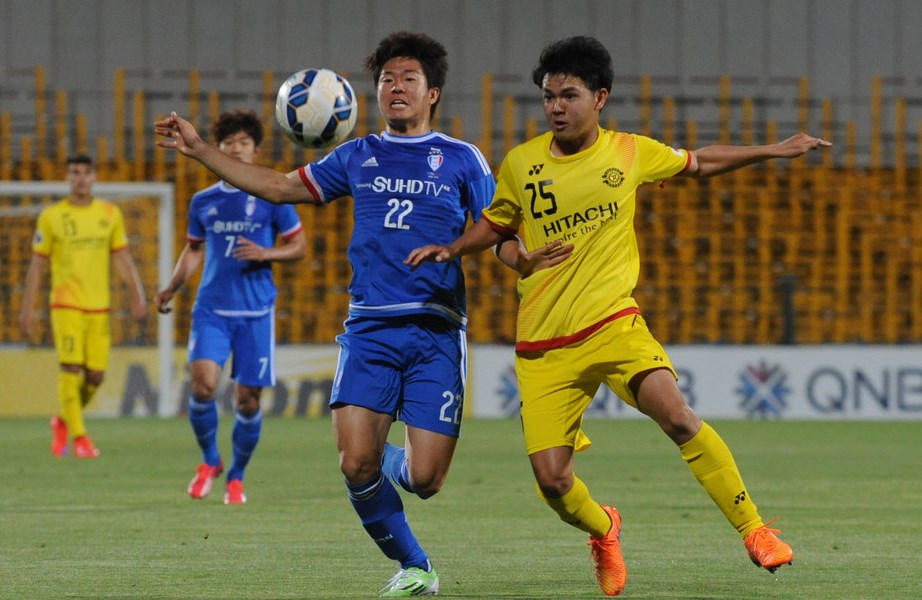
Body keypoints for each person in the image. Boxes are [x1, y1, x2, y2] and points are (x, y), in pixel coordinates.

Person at [406, 35, 832, 596]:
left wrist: (772, 150)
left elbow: (699, 163)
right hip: (543, 343)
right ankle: (605, 530)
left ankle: (755, 530)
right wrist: (466, 249)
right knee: (553, 481)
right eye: (548, 96)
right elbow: (500, 231)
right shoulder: (521, 163)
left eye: (569, 95)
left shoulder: (630, 152)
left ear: (600, 98)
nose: (556, 107)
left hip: (614, 323)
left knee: (677, 415)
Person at [155, 31, 542, 597]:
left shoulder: (462, 159)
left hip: (435, 330)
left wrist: (522, 259)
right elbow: (282, 188)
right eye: (387, 79)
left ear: (433, 91)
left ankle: (385, 450)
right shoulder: (357, 155)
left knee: (426, 480)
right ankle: (416, 566)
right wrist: (201, 151)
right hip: (369, 328)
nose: (395, 87)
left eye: (408, 78)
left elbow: (496, 231)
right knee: (354, 465)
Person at [155, 109, 307, 506]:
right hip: (212, 309)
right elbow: (193, 251)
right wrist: (171, 287)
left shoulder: (274, 194)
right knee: (203, 386)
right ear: (217, 149)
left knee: (248, 401)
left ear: (256, 150)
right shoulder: (204, 201)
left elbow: (299, 247)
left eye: (243, 142)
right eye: (228, 143)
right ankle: (209, 461)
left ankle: (237, 477)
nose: (235, 149)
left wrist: (266, 253)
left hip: (256, 311)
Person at [19, 153, 148, 459]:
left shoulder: (109, 213)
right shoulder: (51, 217)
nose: (80, 178)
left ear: (94, 178)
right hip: (66, 305)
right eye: (74, 172)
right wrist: (27, 308)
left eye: (86, 173)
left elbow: (122, 258)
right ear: (67, 178)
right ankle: (80, 438)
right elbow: (37, 267)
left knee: (95, 377)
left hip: (99, 306)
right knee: (71, 367)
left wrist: (137, 293)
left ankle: (63, 420)